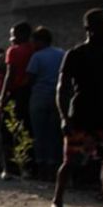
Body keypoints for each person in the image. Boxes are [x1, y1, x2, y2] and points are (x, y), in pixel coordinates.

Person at [51, 8, 103, 207]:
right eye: (102, 24)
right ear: (89, 29)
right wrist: (64, 117)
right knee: (71, 162)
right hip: (81, 115)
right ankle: (57, 202)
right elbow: (62, 88)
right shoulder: (75, 54)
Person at [24, 27, 64, 180]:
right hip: (57, 97)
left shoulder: (37, 57)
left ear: (40, 41)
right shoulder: (61, 54)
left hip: (39, 97)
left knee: (40, 134)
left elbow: (30, 78)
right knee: (55, 134)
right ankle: (55, 167)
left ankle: (42, 168)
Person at [0, 22, 36, 154]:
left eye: (13, 35)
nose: (12, 39)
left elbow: (10, 74)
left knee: (10, 129)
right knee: (29, 128)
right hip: (32, 92)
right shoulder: (35, 49)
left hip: (17, 93)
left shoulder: (13, 51)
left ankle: (14, 162)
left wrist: (2, 96)